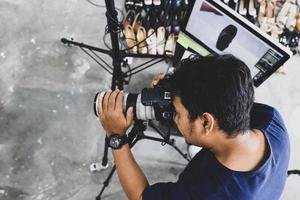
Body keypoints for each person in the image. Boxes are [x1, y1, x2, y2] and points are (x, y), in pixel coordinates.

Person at [97, 54, 290, 200]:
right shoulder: (271, 120)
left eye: (177, 113)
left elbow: (140, 195)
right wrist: (175, 89)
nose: (174, 118)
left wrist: (117, 137)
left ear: (206, 122)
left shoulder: (205, 192)